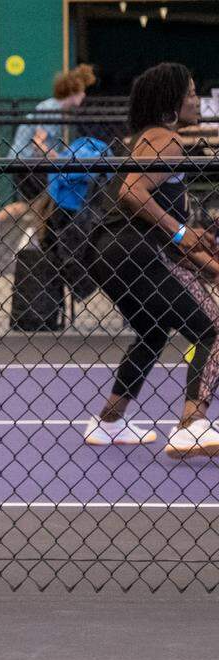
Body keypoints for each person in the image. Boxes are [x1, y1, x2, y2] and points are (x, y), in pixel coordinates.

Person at [84, 63, 219, 457]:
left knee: (153, 331)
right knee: (212, 328)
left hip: (108, 254)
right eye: (191, 92)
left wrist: (205, 260)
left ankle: (109, 421)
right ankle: (192, 425)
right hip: (133, 252)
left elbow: (156, 225)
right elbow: (132, 191)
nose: (197, 99)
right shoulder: (167, 140)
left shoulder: (141, 139)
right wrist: (180, 232)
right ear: (172, 102)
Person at [0, 64, 97, 250]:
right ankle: (28, 236)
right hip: (27, 163)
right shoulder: (51, 109)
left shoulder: (54, 108)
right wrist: (60, 160)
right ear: (74, 91)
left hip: (26, 162)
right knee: (44, 201)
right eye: (82, 91)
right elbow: (38, 142)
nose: (84, 96)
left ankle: (18, 231)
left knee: (35, 204)